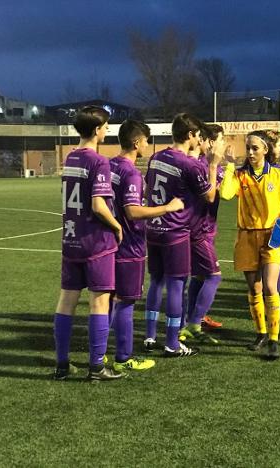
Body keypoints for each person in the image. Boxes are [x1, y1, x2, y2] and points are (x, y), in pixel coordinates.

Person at [53, 105, 125, 381]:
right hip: (95, 242)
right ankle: (96, 366)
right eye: (106, 126)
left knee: (66, 301)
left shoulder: (71, 158)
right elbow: (98, 205)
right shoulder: (99, 162)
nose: (107, 130)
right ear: (96, 130)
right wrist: (117, 225)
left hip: (70, 239)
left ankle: (62, 365)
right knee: (99, 303)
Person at [109, 120, 185, 371]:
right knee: (126, 301)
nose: (147, 144)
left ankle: (99, 352)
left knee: (108, 301)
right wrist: (167, 208)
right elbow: (132, 211)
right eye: (145, 140)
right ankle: (124, 356)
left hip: (109, 243)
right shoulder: (130, 172)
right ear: (136, 142)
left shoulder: (110, 165)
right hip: (129, 246)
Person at [143, 113, 220, 357]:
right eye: (198, 136)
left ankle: (150, 335)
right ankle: (173, 343)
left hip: (153, 228)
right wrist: (214, 164)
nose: (200, 140)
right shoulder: (189, 164)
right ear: (190, 136)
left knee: (156, 281)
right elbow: (209, 196)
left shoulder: (157, 157)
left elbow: (148, 188)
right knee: (177, 285)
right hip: (175, 231)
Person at [220, 130, 280, 360]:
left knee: (270, 287)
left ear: (266, 149)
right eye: (248, 148)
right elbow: (225, 194)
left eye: (255, 148)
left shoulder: (278, 174)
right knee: (254, 288)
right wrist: (230, 166)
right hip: (246, 237)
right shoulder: (240, 175)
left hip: (272, 236)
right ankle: (260, 332)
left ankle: (274, 339)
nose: (251, 152)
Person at [179, 123, 227, 344]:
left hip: (203, 227)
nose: (223, 144)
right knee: (214, 277)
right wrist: (216, 167)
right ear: (208, 142)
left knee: (198, 276)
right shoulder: (200, 166)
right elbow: (210, 194)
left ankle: (190, 321)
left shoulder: (205, 164)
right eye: (220, 140)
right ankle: (194, 323)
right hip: (199, 230)